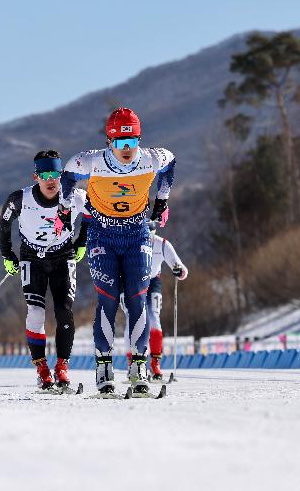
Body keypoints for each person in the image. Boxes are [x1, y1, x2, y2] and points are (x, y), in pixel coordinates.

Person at [58, 107, 176, 396]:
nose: (126, 149)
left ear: (139, 140)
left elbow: (171, 162)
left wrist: (162, 200)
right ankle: (104, 368)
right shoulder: (93, 161)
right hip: (103, 234)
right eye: (120, 142)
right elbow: (68, 175)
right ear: (109, 141)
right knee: (108, 299)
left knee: (138, 298)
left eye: (132, 141)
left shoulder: (150, 158)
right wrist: (64, 208)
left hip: (137, 234)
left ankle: (139, 368)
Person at [0, 150, 88, 392]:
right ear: (35, 177)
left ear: (62, 175)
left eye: (55, 175)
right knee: (36, 312)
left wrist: (81, 242)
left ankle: (62, 367)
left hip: (63, 257)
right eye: (45, 175)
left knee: (64, 311)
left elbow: (91, 215)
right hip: (32, 258)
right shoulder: (21, 199)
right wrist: (8, 255)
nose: (50, 181)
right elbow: (4, 223)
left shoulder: (75, 196)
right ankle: (42, 369)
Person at [119, 221, 188, 380]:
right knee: (132, 319)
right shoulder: (128, 242)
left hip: (152, 282)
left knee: (153, 319)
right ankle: (132, 364)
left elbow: (180, 267)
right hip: (132, 282)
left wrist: (179, 271)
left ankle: (155, 364)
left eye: (149, 236)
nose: (146, 240)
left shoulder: (162, 244)